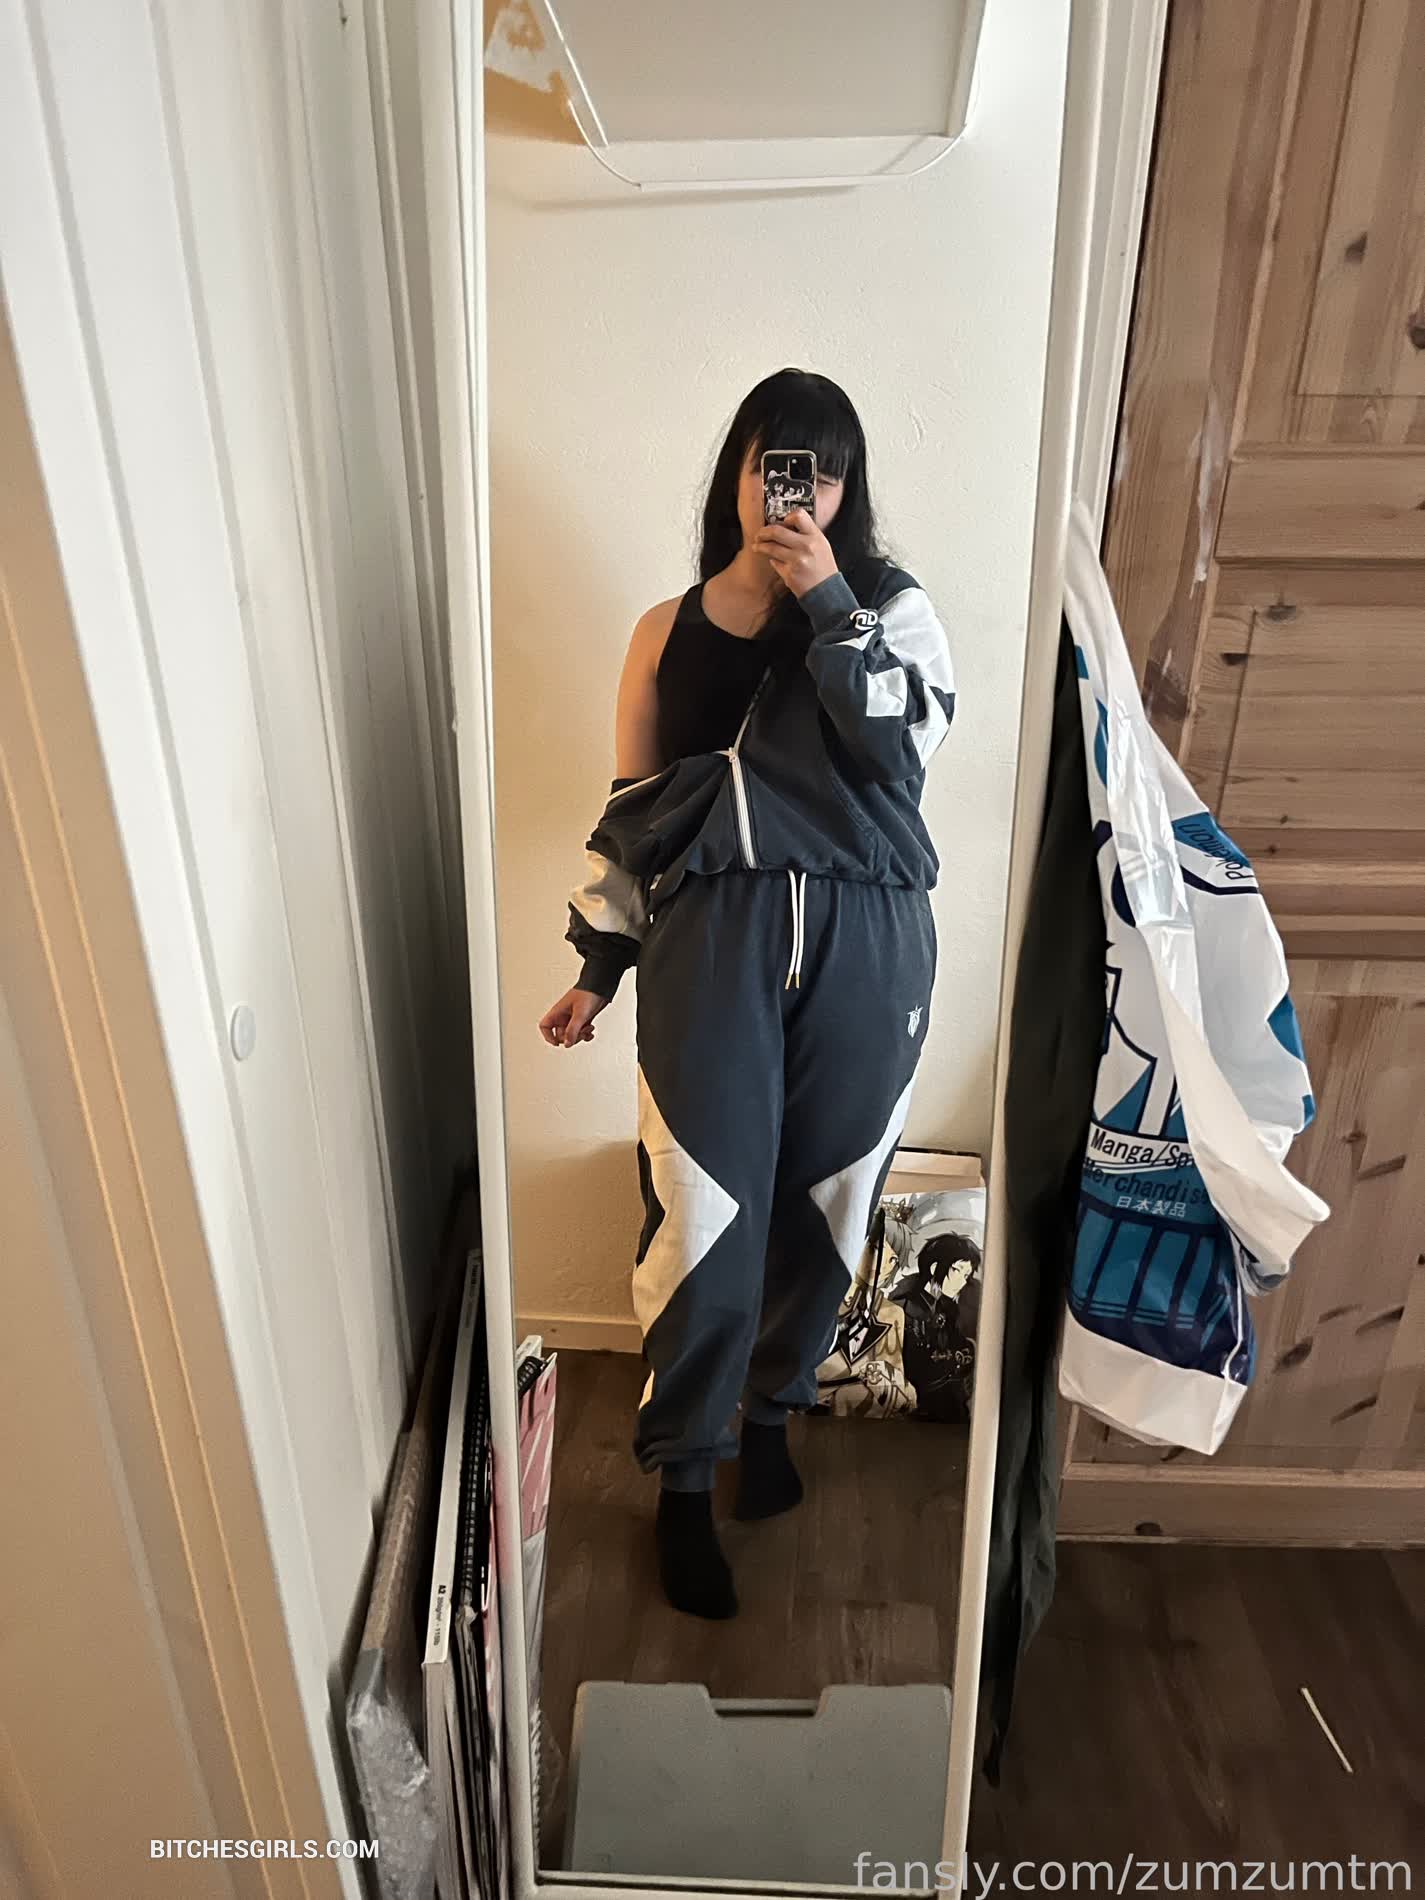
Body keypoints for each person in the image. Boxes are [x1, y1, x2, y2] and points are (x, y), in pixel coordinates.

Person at [538, 368, 956, 1619]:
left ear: (846, 488)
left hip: (869, 939)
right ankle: (684, 1476)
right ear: (738, 470)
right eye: (778, 463)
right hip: (710, 940)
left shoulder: (890, 609)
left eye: (821, 471)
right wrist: (597, 965)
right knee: (699, 1208)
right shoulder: (662, 631)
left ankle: (772, 1415)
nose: (797, 490)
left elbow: (908, 746)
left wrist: (826, 599)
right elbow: (633, 815)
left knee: (830, 1202)